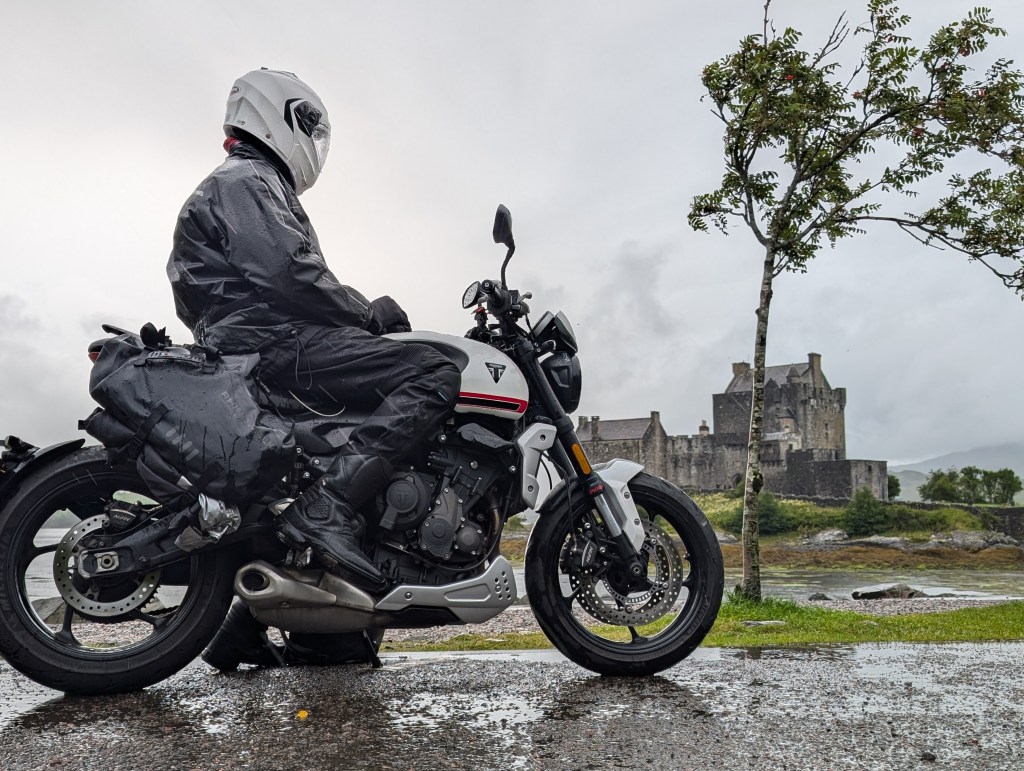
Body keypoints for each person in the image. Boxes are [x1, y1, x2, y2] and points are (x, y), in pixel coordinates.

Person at [167, 69, 460, 668]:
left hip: (256, 340)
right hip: (272, 343)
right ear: (277, 114)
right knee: (434, 370)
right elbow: (289, 276)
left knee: (331, 449)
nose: (314, 141)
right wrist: (367, 314)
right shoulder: (246, 179)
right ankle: (329, 509)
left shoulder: (251, 181)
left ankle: (258, 628)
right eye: (310, 125)